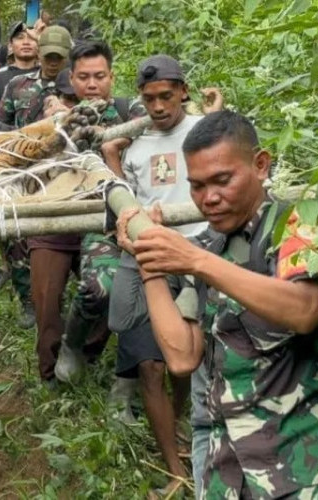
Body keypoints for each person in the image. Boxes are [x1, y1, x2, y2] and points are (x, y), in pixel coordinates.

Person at [122, 109, 318, 497]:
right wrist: (151, 264)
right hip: (227, 472)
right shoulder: (212, 246)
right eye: (196, 186)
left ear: (260, 165)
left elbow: (305, 309)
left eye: (222, 180)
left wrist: (195, 260)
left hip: (305, 467)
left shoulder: (300, 222)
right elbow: (181, 356)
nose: (208, 198)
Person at [105, 54, 222, 496]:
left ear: (183, 91)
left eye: (166, 97)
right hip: (147, 254)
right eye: (149, 98)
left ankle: (182, 431)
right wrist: (112, 160)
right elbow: (125, 201)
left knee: (184, 363)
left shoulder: (201, 131)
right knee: (149, 363)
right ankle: (174, 467)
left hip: (196, 252)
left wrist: (218, 116)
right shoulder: (134, 143)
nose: (157, 106)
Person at [0, 25, 71, 128]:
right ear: (38, 53)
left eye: (59, 57)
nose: (53, 63)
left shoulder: (78, 87)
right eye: (48, 57)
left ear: (68, 56)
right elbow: (0, 125)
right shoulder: (17, 84)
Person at [0, 21, 39, 119]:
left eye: (31, 38)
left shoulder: (48, 75)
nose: (26, 42)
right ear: (11, 44)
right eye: (20, 38)